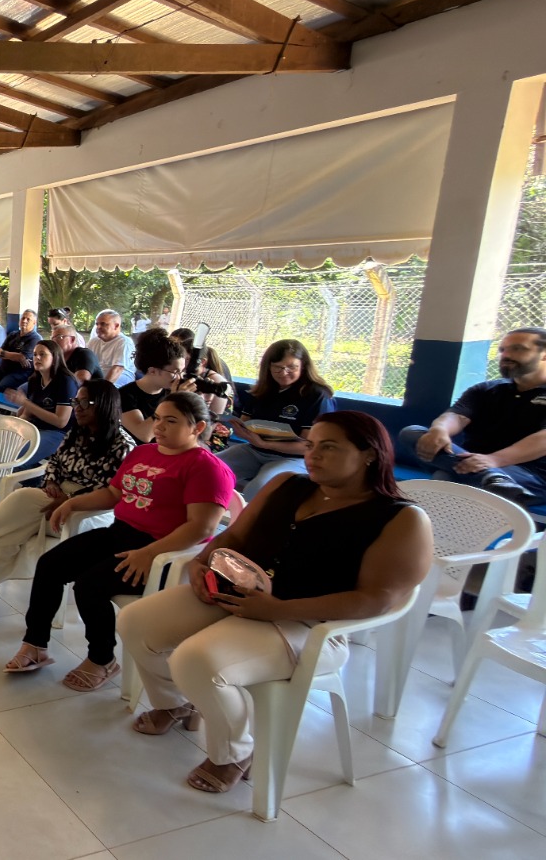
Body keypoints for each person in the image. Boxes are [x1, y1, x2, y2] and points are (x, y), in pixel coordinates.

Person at [119, 412, 431, 793]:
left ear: (370, 454)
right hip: (239, 595)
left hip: (310, 626)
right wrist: (201, 564)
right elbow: (233, 538)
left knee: (195, 660)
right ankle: (174, 702)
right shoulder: (288, 485)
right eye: (311, 445)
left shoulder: (400, 519)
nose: (313, 455)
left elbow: (376, 600)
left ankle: (234, 753)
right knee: (136, 623)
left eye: (329, 447)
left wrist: (279, 610)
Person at [6, 392, 234, 692]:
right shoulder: (143, 453)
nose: (159, 426)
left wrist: (149, 553)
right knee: (50, 564)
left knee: (90, 585)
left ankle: (102, 659)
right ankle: (35, 644)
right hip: (121, 533)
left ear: (198, 427)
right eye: (157, 418)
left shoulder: (206, 467)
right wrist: (73, 503)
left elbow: (201, 527)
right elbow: (114, 494)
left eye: (171, 421)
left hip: (164, 553)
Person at [0, 380, 137, 610]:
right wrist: (52, 481)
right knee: (13, 523)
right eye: (76, 402)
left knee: (19, 506)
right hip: (57, 495)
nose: (77, 408)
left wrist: (70, 500)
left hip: (90, 511)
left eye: (85, 403)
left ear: (104, 405)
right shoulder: (77, 431)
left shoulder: (123, 445)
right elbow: (54, 462)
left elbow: (108, 491)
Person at [396, 327, 546, 504]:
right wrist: (440, 429)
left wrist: (493, 460)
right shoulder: (486, 389)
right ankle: (490, 478)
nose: (506, 355)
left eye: (518, 349)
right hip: (470, 464)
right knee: (412, 433)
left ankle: (492, 479)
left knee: (445, 476)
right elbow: (457, 416)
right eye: (502, 350)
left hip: (528, 475)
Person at [217, 339, 337, 499]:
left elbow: (308, 446)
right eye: (277, 368)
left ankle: (248, 515)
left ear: (303, 366)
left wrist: (265, 444)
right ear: (268, 367)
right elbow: (246, 421)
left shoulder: (316, 396)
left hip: (293, 458)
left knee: (258, 488)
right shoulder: (262, 389)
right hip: (255, 450)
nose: (284, 372)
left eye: (291, 367)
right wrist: (241, 430)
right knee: (208, 468)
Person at [3, 339, 78, 468]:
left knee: (15, 457)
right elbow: (27, 414)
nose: (37, 357)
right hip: (35, 427)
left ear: (54, 358)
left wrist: (25, 402)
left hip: (58, 433)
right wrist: (14, 428)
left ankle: (33, 477)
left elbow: (61, 421)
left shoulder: (66, 381)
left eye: (42, 354)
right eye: (34, 354)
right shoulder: (35, 380)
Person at [118, 329, 189, 444]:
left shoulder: (170, 392)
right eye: (175, 372)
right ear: (152, 371)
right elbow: (144, 435)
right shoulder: (124, 396)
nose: (180, 377)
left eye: (182, 371)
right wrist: (174, 399)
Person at [0, 309, 39, 390]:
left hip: (19, 373)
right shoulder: (13, 335)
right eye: (23, 318)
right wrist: (16, 356)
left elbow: (22, 356)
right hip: (3, 369)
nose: (24, 321)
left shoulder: (35, 338)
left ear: (34, 322)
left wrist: (6, 354)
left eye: (28, 319)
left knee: (0, 388)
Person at [88, 309, 136, 385]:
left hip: (117, 383)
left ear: (116, 326)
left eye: (103, 324)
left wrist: (102, 388)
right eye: (97, 324)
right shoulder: (93, 341)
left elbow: (117, 370)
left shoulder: (124, 342)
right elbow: (86, 364)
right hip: (97, 381)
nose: (98, 327)